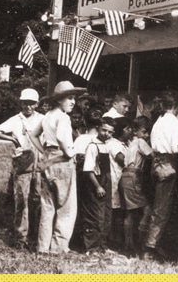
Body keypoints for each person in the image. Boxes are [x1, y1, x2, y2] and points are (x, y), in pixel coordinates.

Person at [28, 81, 85, 255]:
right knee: (66, 207)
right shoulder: (63, 117)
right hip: (62, 160)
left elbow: (33, 134)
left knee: (47, 206)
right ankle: (59, 247)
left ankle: (43, 246)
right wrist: (69, 153)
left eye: (74, 98)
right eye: (69, 98)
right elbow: (61, 137)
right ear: (59, 100)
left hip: (48, 159)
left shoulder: (48, 116)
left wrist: (44, 152)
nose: (73, 102)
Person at [0, 88, 44, 249]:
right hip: (22, 162)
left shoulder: (43, 119)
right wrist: (13, 139)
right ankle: (21, 237)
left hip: (40, 163)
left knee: (37, 198)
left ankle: (35, 235)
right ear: (21, 103)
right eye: (25, 103)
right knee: (21, 199)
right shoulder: (16, 119)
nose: (28, 107)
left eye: (31, 104)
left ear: (37, 104)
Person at [143, 90, 178, 260]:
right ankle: (150, 247)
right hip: (167, 164)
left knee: (156, 205)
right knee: (162, 208)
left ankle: (151, 243)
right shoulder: (176, 123)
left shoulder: (158, 122)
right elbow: (175, 148)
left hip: (155, 163)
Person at [71, 104, 105, 251]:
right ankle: (91, 244)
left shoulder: (80, 139)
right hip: (94, 178)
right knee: (93, 211)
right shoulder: (99, 141)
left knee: (80, 208)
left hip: (80, 177)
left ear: (85, 122)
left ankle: (80, 241)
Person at [119, 116, 153, 255]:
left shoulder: (129, 143)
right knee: (147, 209)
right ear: (135, 131)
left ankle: (129, 244)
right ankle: (141, 243)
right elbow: (151, 155)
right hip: (134, 175)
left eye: (147, 132)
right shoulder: (140, 142)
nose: (146, 135)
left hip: (125, 175)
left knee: (130, 212)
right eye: (144, 131)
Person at [81, 116, 115, 254]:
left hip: (106, 181)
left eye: (110, 132)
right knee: (96, 216)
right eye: (104, 130)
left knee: (106, 215)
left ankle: (103, 246)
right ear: (98, 129)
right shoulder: (92, 146)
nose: (107, 134)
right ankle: (92, 247)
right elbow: (88, 170)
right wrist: (98, 186)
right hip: (96, 182)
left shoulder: (107, 145)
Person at [106, 116, 132, 250]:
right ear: (121, 130)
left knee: (119, 211)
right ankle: (112, 241)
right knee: (114, 212)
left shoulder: (125, 144)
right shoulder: (114, 144)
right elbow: (121, 159)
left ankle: (117, 241)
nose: (130, 131)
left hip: (122, 181)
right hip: (115, 180)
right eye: (128, 128)